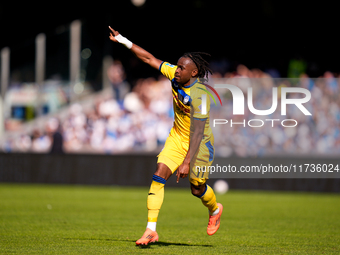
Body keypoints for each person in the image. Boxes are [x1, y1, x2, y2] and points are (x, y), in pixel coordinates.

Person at [109, 26, 223, 246]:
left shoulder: (200, 97)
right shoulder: (175, 75)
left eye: (182, 68)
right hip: (177, 138)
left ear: (194, 73)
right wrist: (123, 40)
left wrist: (187, 161)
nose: (176, 70)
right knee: (159, 174)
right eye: (177, 66)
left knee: (196, 188)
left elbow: (198, 133)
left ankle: (214, 208)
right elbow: (149, 58)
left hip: (199, 145)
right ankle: (151, 230)